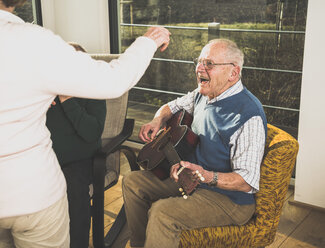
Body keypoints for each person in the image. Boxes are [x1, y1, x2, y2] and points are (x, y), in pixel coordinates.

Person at [0, 0, 170, 247]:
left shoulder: (81, 95)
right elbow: (115, 80)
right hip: (31, 193)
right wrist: (149, 41)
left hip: (57, 174)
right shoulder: (31, 42)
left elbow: (91, 130)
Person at [122, 38, 267, 248]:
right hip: (190, 180)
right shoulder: (202, 94)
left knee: (162, 213)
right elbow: (170, 107)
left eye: (209, 63)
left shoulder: (248, 115)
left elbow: (246, 181)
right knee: (133, 183)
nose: (199, 68)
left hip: (228, 199)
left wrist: (207, 176)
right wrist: (157, 119)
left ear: (233, 73)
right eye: (199, 62)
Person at [45, 42, 106, 248]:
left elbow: (91, 133)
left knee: (71, 186)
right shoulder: (46, 92)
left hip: (83, 162)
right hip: (47, 160)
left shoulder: (95, 91)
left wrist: (67, 100)